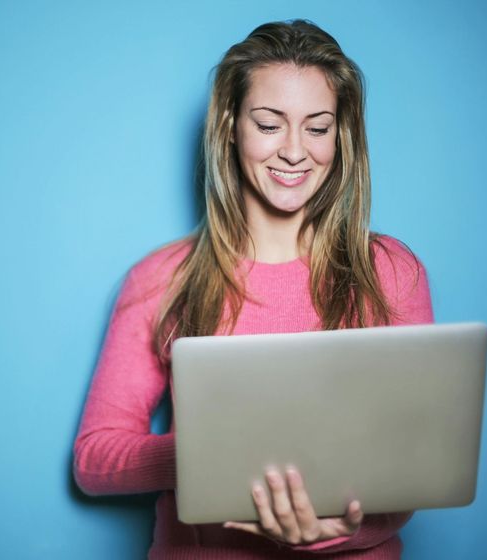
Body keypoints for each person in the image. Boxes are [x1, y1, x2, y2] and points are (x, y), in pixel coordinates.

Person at [73, 19, 434, 559]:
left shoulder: (391, 272)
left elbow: (419, 459)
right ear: (230, 125)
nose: (295, 151)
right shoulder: (161, 279)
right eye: (269, 124)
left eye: (317, 127)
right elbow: (94, 460)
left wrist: (335, 530)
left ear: (342, 135)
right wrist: (206, 456)